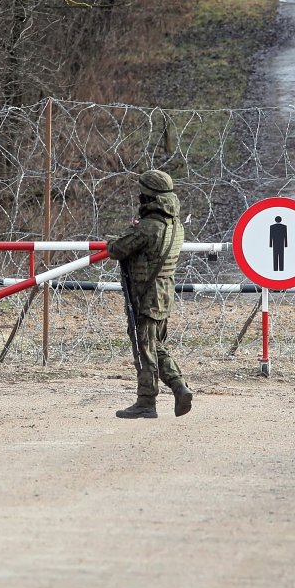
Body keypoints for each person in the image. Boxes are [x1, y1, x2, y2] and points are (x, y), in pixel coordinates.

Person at [106, 169, 194, 419]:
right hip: (164, 292)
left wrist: (124, 234)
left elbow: (117, 249)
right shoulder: (174, 225)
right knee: (154, 345)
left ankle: (149, 399)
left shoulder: (149, 227)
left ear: (149, 197)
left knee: (145, 348)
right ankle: (178, 388)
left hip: (146, 294)